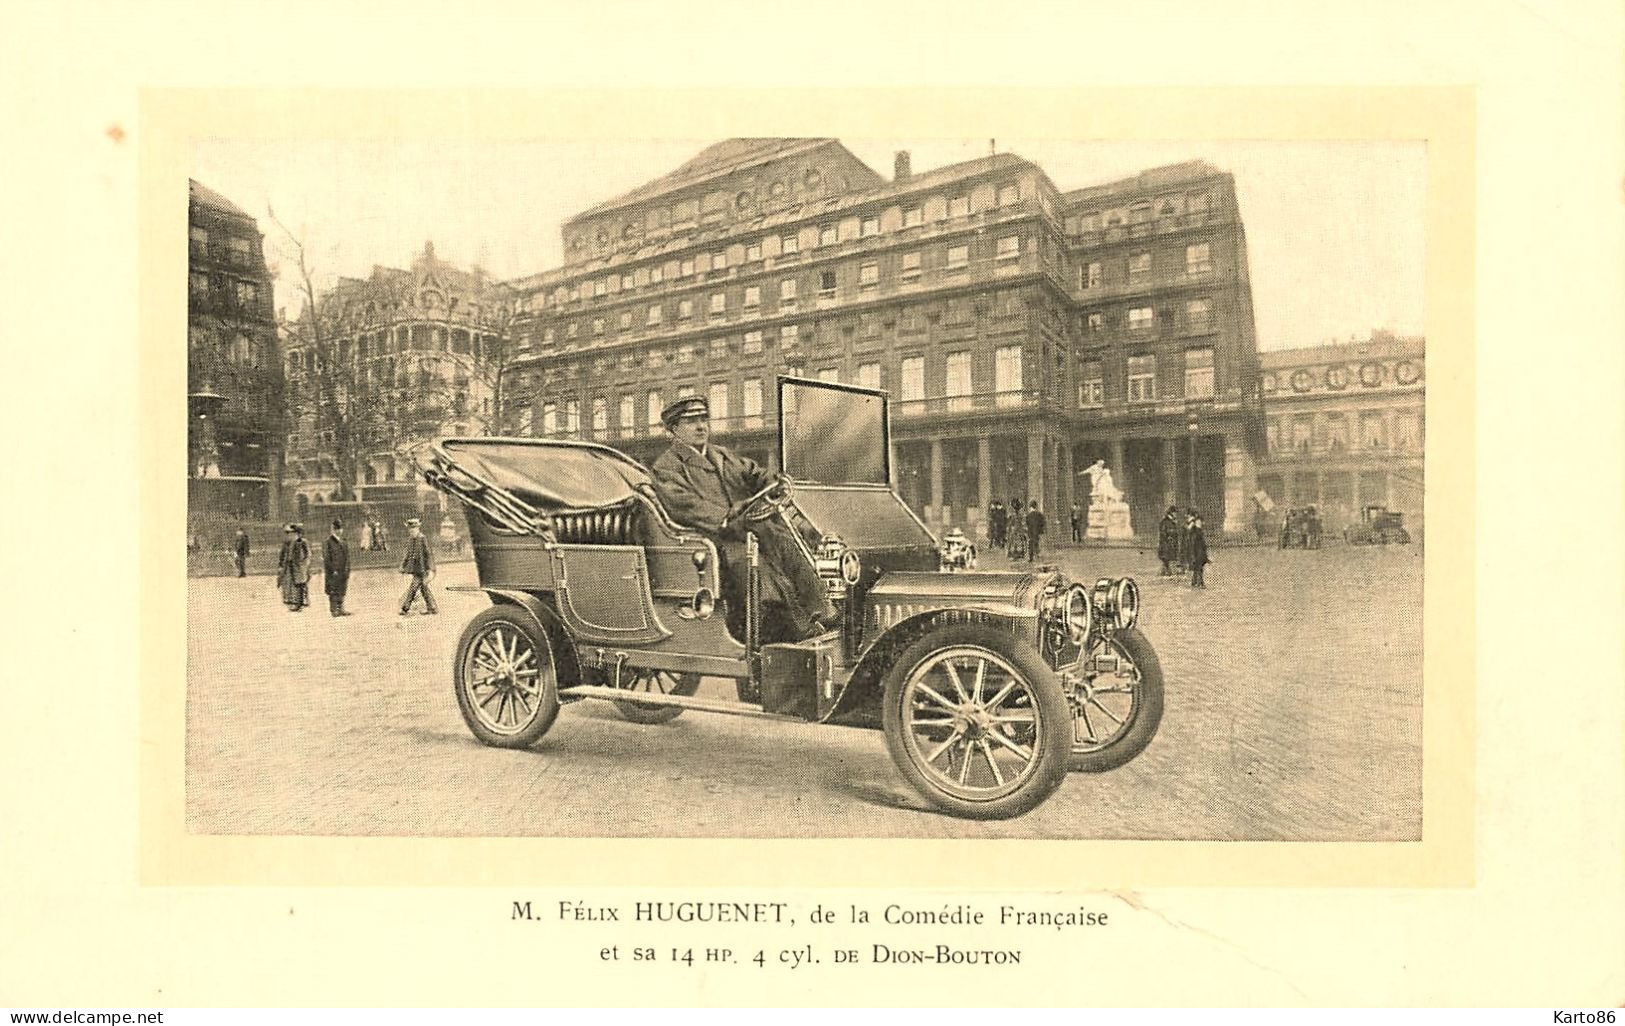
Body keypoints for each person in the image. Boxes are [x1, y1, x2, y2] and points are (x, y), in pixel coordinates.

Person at [651, 395, 836, 644]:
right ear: (673, 429)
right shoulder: (668, 467)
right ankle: (794, 628)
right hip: (713, 541)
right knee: (755, 565)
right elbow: (686, 506)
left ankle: (824, 611)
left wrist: (770, 482)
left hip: (746, 528)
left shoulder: (723, 455)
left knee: (784, 541)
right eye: (691, 421)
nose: (701, 426)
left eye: (704, 419)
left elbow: (754, 473)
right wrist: (727, 518)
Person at [399, 518, 438, 615]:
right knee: (423, 588)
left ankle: (405, 608)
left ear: (418, 528)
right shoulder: (411, 540)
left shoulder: (422, 538)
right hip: (416, 569)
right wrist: (403, 566)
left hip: (423, 569)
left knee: (414, 588)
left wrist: (431, 569)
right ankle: (432, 608)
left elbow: (428, 554)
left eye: (414, 528)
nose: (411, 530)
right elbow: (407, 554)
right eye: (410, 529)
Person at [276, 523, 311, 612]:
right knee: (291, 583)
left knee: (300, 584)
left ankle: (300, 603)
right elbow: (283, 554)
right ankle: (293, 601)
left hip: (299, 566)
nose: (290, 535)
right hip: (289, 565)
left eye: (292, 533)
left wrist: (305, 564)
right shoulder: (287, 543)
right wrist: (281, 565)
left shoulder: (302, 542)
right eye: (288, 533)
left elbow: (308, 554)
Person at [323, 518, 352, 617]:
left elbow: (347, 557)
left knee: (342, 589)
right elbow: (327, 558)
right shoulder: (328, 542)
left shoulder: (343, 542)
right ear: (333, 530)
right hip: (333, 571)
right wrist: (333, 569)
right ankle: (334, 609)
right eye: (337, 529)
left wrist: (347, 568)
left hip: (343, 570)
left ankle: (341, 608)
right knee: (333, 590)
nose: (339, 531)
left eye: (340, 529)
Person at [1157, 505, 1181, 576]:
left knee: (1168, 558)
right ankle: (1167, 572)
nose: (1176, 514)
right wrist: (1169, 538)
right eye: (1175, 513)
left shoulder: (1172, 522)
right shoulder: (1165, 522)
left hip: (1171, 543)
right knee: (1167, 558)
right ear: (1171, 513)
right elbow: (1163, 533)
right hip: (1167, 544)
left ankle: (1165, 572)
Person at [1188, 513, 1210, 589]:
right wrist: (1193, 556)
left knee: (1197, 569)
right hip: (1197, 554)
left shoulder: (1198, 531)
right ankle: (1200, 583)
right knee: (1199, 569)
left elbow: (1202, 546)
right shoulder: (1196, 532)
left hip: (1199, 554)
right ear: (1198, 522)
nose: (1201, 523)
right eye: (1200, 522)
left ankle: (1195, 583)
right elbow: (1193, 545)